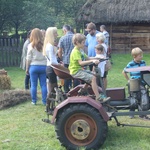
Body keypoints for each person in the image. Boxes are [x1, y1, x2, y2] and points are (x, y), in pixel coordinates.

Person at [69, 33, 110, 103]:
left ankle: (82, 90)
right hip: (76, 71)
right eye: (83, 43)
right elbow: (81, 63)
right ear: (77, 43)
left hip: (79, 70)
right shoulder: (75, 51)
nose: (84, 44)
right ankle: (98, 97)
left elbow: (88, 58)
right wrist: (93, 61)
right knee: (92, 78)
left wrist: (98, 57)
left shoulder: (80, 50)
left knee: (94, 74)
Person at [122, 47, 150, 120]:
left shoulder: (143, 62)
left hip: (142, 82)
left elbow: (146, 72)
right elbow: (124, 72)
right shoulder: (130, 64)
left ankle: (142, 114)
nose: (141, 57)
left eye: (142, 55)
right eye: (140, 55)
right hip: (134, 83)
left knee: (143, 97)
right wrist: (128, 80)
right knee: (133, 97)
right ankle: (132, 113)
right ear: (134, 56)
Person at [26, 28, 47, 105]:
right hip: (43, 66)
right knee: (43, 84)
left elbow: (28, 58)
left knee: (33, 85)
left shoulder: (30, 45)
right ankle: (44, 101)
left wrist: (27, 68)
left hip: (33, 66)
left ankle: (34, 101)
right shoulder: (44, 44)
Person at [43, 27, 58, 113]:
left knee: (53, 89)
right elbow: (52, 61)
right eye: (55, 33)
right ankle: (48, 107)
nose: (57, 34)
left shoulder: (48, 45)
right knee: (53, 89)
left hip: (49, 68)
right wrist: (59, 65)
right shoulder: (50, 46)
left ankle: (50, 106)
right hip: (51, 69)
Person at [58, 25, 74, 92]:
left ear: (64, 30)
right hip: (75, 60)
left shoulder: (62, 38)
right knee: (75, 76)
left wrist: (61, 58)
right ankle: (76, 90)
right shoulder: (75, 37)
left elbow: (60, 51)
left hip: (66, 60)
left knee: (66, 76)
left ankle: (66, 91)